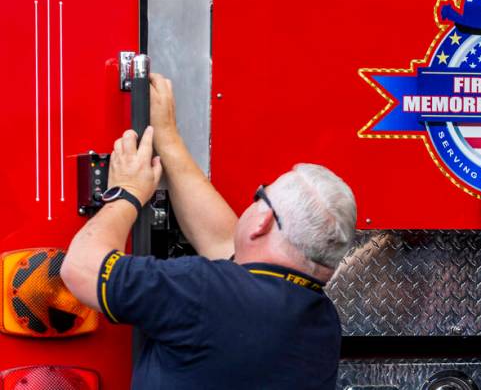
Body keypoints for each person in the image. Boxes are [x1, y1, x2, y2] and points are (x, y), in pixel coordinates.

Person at [61, 73, 356, 390]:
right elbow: (224, 242)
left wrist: (127, 193)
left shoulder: (201, 290)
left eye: (260, 195)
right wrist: (169, 140)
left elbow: (81, 269)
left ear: (263, 221)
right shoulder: (320, 323)